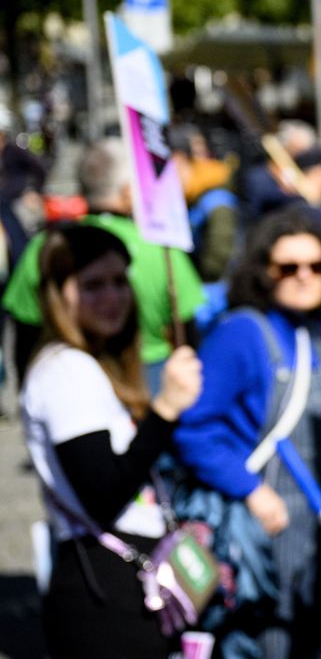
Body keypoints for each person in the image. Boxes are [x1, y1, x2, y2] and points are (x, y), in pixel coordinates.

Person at [173, 207, 321, 658]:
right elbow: (192, 428)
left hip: (319, 526)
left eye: (316, 266)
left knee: (313, 637)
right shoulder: (241, 332)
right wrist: (250, 488)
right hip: (262, 524)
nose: (304, 277)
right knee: (266, 643)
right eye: (288, 267)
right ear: (264, 273)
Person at [21, 224, 202, 658]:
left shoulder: (92, 365)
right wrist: (165, 411)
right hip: (100, 594)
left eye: (120, 281)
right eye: (92, 285)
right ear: (57, 293)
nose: (112, 297)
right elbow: (103, 491)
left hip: (120, 584)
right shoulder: (67, 371)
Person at [3, 138, 205, 389]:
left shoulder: (43, 246)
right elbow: (186, 335)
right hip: (148, 378)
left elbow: (25, 336)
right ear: (128, 191)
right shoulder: (162, 249)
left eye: (119, 282)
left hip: (70, 381)